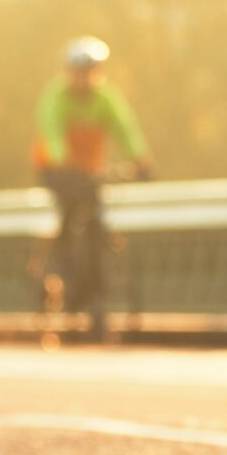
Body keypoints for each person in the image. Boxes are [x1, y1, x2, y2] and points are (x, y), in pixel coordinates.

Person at [32, 38, 153, 337]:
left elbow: (125, 127)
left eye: (90, 71)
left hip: (89, 171)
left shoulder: (105, 99)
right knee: (69, 213)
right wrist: (62, 163)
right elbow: (52, 132)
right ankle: (61, 264)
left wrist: (141, 159)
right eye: (79, 71)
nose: (85, 78)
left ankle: (96, 296)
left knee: (96, 225)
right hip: (55, 168)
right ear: (69, 72)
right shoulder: (56, 97)